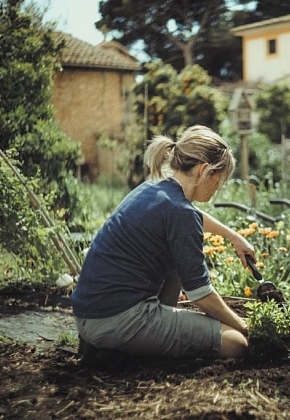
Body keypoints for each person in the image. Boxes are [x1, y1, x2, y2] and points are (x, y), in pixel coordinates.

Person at [72, 125, 252, 361]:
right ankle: (126, 351)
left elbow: (192, 215)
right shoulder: (180, 213)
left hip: (89, 316)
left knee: (178, 258)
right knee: (236, 343)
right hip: (119, 320)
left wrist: (234, 237)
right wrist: (244, 326)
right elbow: (201, 295)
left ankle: (129, 345)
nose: (218, 188)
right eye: (219, 180)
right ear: (204, 171)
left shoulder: (153, 189)